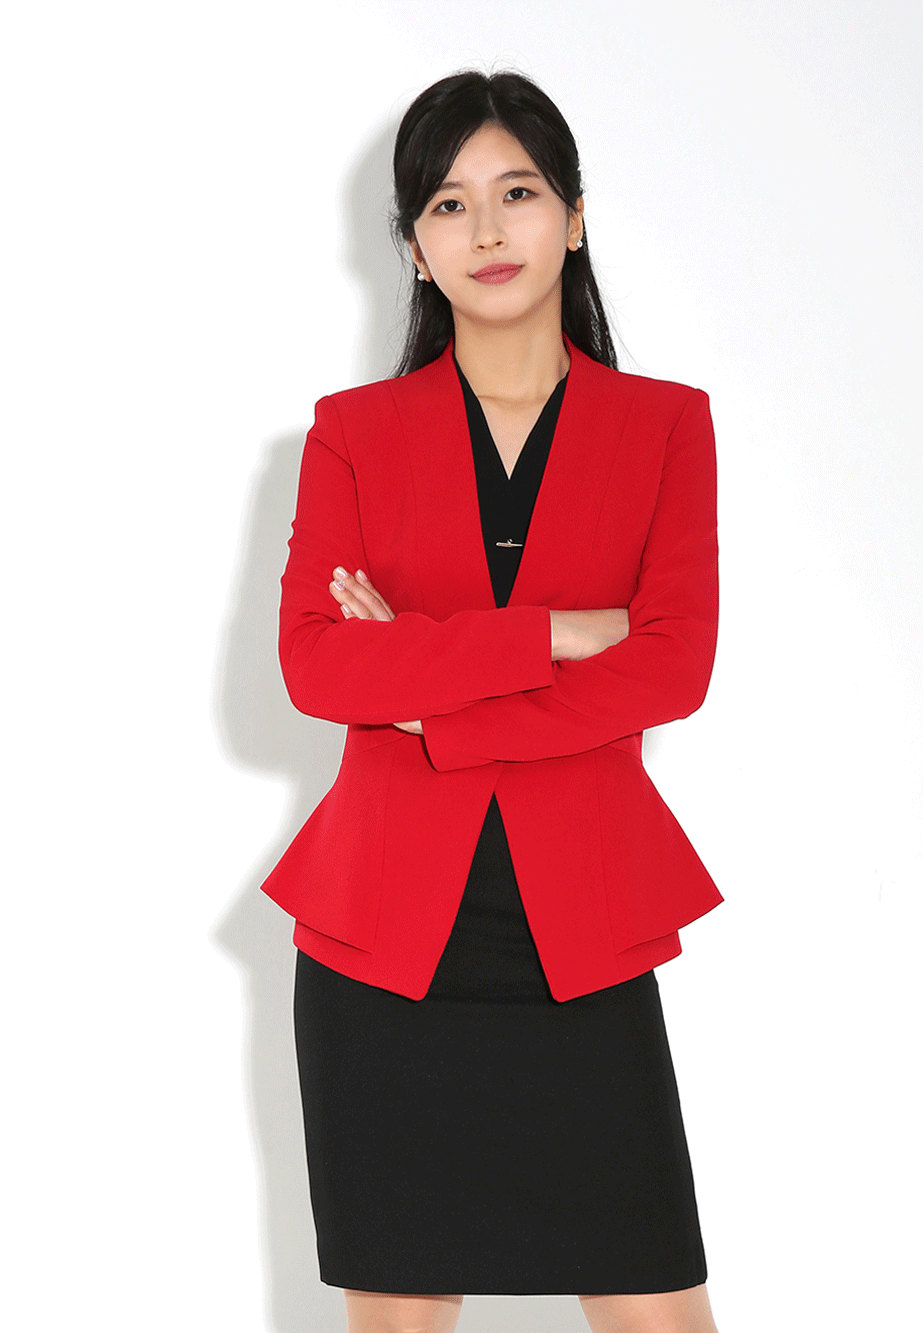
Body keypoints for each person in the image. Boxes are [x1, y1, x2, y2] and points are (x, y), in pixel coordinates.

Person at [262, 68, 724, 1333]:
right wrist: (557, 634)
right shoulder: (353, 432)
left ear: (572, 216)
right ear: (414, 246)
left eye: (516, 193)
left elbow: (671, 670)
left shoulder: (665, 428)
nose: (485, 230)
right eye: (448, 204)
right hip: (381, 950)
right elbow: (318, 668)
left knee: (657, 1306)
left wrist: (429, 691)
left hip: (582, 938)